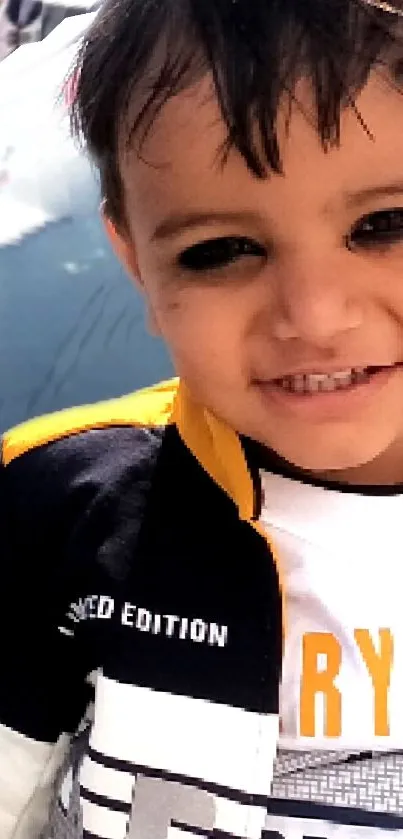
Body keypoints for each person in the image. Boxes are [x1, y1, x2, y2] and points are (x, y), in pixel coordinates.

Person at [2, 0, 403, 836]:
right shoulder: (59, 501)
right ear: (135, 262)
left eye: (383, 225)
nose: (314, 315)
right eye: (219, 250)